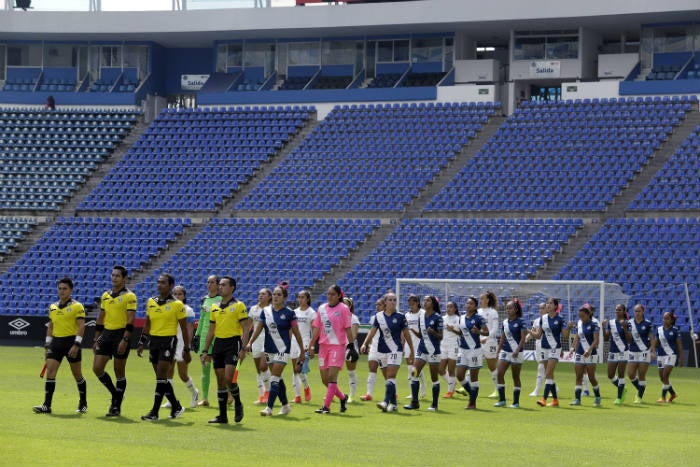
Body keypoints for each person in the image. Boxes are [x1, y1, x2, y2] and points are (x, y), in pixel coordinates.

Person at [243, 284, 305, 416]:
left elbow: (296, 333)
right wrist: (249, 343)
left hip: (283, 349)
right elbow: (258, 328)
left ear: (284, 297)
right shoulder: (265, 311)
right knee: (278, 379)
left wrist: (302, 351)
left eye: (279, 295)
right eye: (275, 294)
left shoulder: (289, 313)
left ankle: (269, 408)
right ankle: (286, 405)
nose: (276, 297)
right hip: (269, 348)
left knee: (274, 378)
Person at [137, 273, 190, 422]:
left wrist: (186, 348)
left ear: (171, 286)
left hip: (168, 342)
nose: (159, 285)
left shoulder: (177, 305)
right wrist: (142, 341)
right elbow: (148, 323)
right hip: (154, 341)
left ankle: (154, 412)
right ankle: (176, 406)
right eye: (158, 282)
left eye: (163, 283)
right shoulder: (151, 302)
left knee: (161, 377)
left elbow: (184, 329)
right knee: (161, 379)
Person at [200, 276, 250, 424]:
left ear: (232, 288)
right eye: (219, 285)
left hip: (232, 343)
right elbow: (211, 330)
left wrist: (243, 348)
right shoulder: (215, 306)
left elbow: (246, 329)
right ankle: (222, 416)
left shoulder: (239, 305)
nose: (220, 287)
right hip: (218, 344)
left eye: (223, 285)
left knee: (229, 378)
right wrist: (205, 350)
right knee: (220, 381)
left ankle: (238, 403)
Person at [33, 277, 87, 414]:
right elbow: (50, 327)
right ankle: (47, 405)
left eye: (65, 289)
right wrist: (47, 345)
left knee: (77, 375)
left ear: (71, 290)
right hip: (56, 343)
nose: (62, 291)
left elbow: (81, 327)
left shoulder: (77, 306)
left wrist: (76, 344)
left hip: (71, 343)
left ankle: (83, 402)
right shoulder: (53, 307)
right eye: (60, 288)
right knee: (50, 372)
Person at [93, 265, 137, 417]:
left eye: (117, 276)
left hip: (120, 334)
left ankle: (116, 407)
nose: (114, 278)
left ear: (124, 278)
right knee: (97, 368)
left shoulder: (130, 296)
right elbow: (101, 317)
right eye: (113, 275)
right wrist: (96, 338)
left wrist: (125, 339)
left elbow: (131, 319)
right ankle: (115, 394)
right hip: (106, 334)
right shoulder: (105, 295)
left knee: (119, 371)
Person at [360, 292, 415, 413]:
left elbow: (406, 334)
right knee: (389, 379)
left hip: (395, 350)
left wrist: (411, 349)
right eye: (390, 300)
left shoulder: (400, 317)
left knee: (391, 376)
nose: (392, 302)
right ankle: (394, 404)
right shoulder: (378, 316)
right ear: (385, 302)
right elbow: (372, 332)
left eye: (394, 300)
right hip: (382, 351)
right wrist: (365, 343)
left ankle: (385, 401)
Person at [308, 285, 356, 414]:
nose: (329, 296)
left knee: (332, 376)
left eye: (333, 294)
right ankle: (342, 397)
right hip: (323, 347)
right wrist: (312, 345)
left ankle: (326, 407)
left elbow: (347, 328)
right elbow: (317, 328)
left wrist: (351, 346)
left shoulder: (344, 309)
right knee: (325, 380)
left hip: (337, 346)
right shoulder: (321, 308)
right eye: (328, 294)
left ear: (339, 295)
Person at [160, 285, 199, 409]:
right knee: (168, 372)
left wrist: (187, 347)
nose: (177, 296)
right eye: (175, 294)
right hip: (170, 343)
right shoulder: (169, 308)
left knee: (183, 375)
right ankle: (170, 400)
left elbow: (190, 330)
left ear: (184, 296)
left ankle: (194, 393)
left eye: (180, 294)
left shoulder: (188, 310)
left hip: (182, 345)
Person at [404, 296, 443, 411]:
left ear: (433, 303)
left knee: (434, 378)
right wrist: (412, 330)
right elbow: (421, 335)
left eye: (428, 300)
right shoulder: (421, 316)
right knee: (414, 373)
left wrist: (434, 333)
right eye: (424, 300)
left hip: (433, 351)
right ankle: (414, 402)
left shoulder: (437, 318)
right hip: (422, 349)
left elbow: (441, 336)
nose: (425, 302)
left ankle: (434, 404)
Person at [532, 297, 569, 407]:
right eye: (547, 303)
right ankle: (555, 400)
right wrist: (528, 331)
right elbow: (538, 335)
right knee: (550, 375)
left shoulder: (560, 319)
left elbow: (566, 337)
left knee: (548, 373)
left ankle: (543, 398)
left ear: (556, 306)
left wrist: (570, 328)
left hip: (555, 348)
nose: (548, 305)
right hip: (544, 348)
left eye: (551, 303)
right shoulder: (543, 318)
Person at [455, 296, 489, 409]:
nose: (468, 305)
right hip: (463, 350)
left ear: (475, 306)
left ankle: (472, 403)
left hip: (475, 351)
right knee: (459, 375)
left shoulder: (479, 318)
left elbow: (487, 332)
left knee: (474, 377)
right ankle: (472, 395)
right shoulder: (462, 318)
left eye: (470, 303)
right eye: (467, 303)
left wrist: (478, 331)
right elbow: (461, 333)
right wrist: (453, 330)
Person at [493, 299, 527, 408]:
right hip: (505, 351)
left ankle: (516, 402)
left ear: (516, 309)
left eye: (510, 308)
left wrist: (517, 350)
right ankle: (502, 400)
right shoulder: (504, 322)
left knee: (515, 377)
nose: (508, 310)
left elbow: (523, 338)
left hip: (517, 352)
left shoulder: (521, 322)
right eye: (507, 308)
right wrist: (498, 351)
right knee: (499, 373)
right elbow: (502, 339)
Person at [193, 274, 221, 407]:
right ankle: (205, 398)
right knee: (205, 368)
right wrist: (197, 335)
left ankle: (228, 395)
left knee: (220, 368)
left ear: (218, 284)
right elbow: (202, 319)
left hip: (218, 336)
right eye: (208, 282)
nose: (209, 284)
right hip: (205, 336)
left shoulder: (222, 299)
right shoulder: (203, 300)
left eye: (212, 282)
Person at [568, 303, 601, 407]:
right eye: (580, 316)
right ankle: (577, 399)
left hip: (591, 354)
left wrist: (589, 350)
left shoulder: (594, 325)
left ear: (588, 315)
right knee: (578, 376)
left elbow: (596, 341)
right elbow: (577, 337)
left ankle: (597, 397)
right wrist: (573, 348)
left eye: (583, 316)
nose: (581, 318)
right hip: (579, 353)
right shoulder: (579, 324)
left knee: (591, 377)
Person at [651, 311, 683, 403]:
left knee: (665, 376)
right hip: (661, 356)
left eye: (667, 318)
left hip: (671, 355)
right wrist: (652, 350)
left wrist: (681, 358)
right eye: (664, 318)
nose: (665, 320)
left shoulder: (675, 330)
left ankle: (663, 397)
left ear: (671, 320)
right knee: (662, 378)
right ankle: (673, 394)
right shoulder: (659, 329)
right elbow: (656, 342)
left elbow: (679, 345)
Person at [247, 288, 272, 404]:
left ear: (269, 297)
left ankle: (268, 392)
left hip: (267, 340)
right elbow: (248, 327)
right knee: (259, 370)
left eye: (264, 294)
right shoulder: (253, 309)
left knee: (263, 366)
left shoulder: (271, 310)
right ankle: (261, 395)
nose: (260, 296)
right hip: (255, 341)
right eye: (259, 294)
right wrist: (246, 342)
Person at [291, 289, 316, 404]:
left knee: (299, 369)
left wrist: (312, 346)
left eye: (302, 297)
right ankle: (297, 396)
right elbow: (291, 329)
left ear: (308, 299)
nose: (300, 299)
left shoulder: (311, 313)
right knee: (295, 370)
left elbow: (315, 330)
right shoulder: (294, 312)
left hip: (305, 343)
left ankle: (306, 388)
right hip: (294, 343)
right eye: (299, 297)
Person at [625, 304, 653, 404]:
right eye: (635, 311)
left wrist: (653, 351)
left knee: (641, 374)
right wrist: (625, 330)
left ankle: (639, 397)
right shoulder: (629, 323)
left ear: (643, 312)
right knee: (631, 374)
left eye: (639, 311)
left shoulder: (648, 323)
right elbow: (628, 339)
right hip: (632, 351)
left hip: (644, 352)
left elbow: (652, 337)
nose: (637, 313)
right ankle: (640, 389)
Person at [360, 296, 386, 401]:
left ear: (385, 306)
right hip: (374, 347)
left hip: (385, 348)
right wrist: (367, 344)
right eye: (376, 305)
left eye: (379, 305)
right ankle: (369, 394)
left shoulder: (389, 317)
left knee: (387, 373)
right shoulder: (373, 318)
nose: (377, 307)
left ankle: (394, 392)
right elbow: (371, 332)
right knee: (372, 368)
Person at [603, 304, 629, 405]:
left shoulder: (627, 323)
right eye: (616, 310)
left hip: (623, 351)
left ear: (624, 312)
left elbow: (629, 340)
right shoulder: (611, 323)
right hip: (613, 351)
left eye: (619, 310)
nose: (617, 311)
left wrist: (625, 328)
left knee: (621, 374)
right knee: (610, 375)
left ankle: (619, 397)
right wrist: (603, 327)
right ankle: (622, 388)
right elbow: (606, 338)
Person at [477, 291, 500, 398]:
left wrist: (486, 338)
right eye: (480, 298)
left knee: (492, 367)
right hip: (478, 342)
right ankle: (466, 386)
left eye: (482, 298)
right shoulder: (477, 312)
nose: (480, 301)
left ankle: (498, 389)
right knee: (473, 362)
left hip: (490, 342)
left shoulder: (493, 312)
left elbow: (495, 329)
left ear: (488, 300)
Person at [404, 294, 426, 399]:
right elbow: (404, 331)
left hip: (420, 343)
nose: (411, 306)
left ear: (417, 303)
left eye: (413, 304)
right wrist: (402, 342)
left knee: (416, 366)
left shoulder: (423, 314)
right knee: (410, 368)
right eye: (409, 304)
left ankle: (422, 386)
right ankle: (413, 391)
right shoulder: (407, 315)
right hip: (409, 343)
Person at [439, 300, 460, 398]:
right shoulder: (442, 319)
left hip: (453, 346)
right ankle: (452, 383)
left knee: (451, 369)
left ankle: (450, 392)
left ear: (455, 309)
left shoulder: (458, 319)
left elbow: (462, 333)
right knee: (440, 369)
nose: (449, 308)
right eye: (447, 307)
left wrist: (453, 330)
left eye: (451, 306)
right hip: (443, 346)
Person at [526, 302, 546, 396]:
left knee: (541, 367)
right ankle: (555, 388)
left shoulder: (548, 320)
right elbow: (532, 332)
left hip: (546, 346)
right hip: (538, 345)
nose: (540, 310)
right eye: (539, 308)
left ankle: (536, 391)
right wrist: (525, 339)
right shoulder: (537, 320)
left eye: (543, 308)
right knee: (545, 368)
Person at [343, 296, 361, 403]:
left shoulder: (353, 318)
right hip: (339, 347)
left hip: (350, 348)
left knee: (351, 372)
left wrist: (348, 346)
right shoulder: (338, 316)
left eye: (345, 303)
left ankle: (352, 396)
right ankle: (334, 393)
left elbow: (353, 336)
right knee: (334, 372)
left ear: (350, 306)